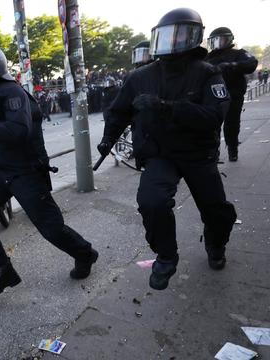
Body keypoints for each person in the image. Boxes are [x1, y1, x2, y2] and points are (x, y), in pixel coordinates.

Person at [97, 8, 237, 290]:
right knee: (151, 201)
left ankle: (216, 242)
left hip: (198, 154)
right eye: (166, 36)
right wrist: (107, 139)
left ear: (195, 36)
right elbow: (118, 111)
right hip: (160, 153)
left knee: (217, 212)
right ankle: (166, 255)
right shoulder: (140, 77)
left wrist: (167, 109)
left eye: (180, 35)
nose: (172, 43)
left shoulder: (208, 74)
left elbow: (214, 116)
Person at [0, 45, 98, 297]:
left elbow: (18, 130)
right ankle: (3, 270)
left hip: (26, 172)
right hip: (0, 172)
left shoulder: (12, 91)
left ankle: (85, 253)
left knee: (51, 228)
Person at [205, 27, 258, 161]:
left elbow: (251, 63)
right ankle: (212, 152)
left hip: (233, 94)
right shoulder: (208, 57)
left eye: (220, 40)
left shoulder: (238, 53)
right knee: (211, 124)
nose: (217, 43)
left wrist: (232, 65)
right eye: (214, 41)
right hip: (213, 96)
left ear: (228, 39)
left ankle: (232, 149)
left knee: (232, 124)